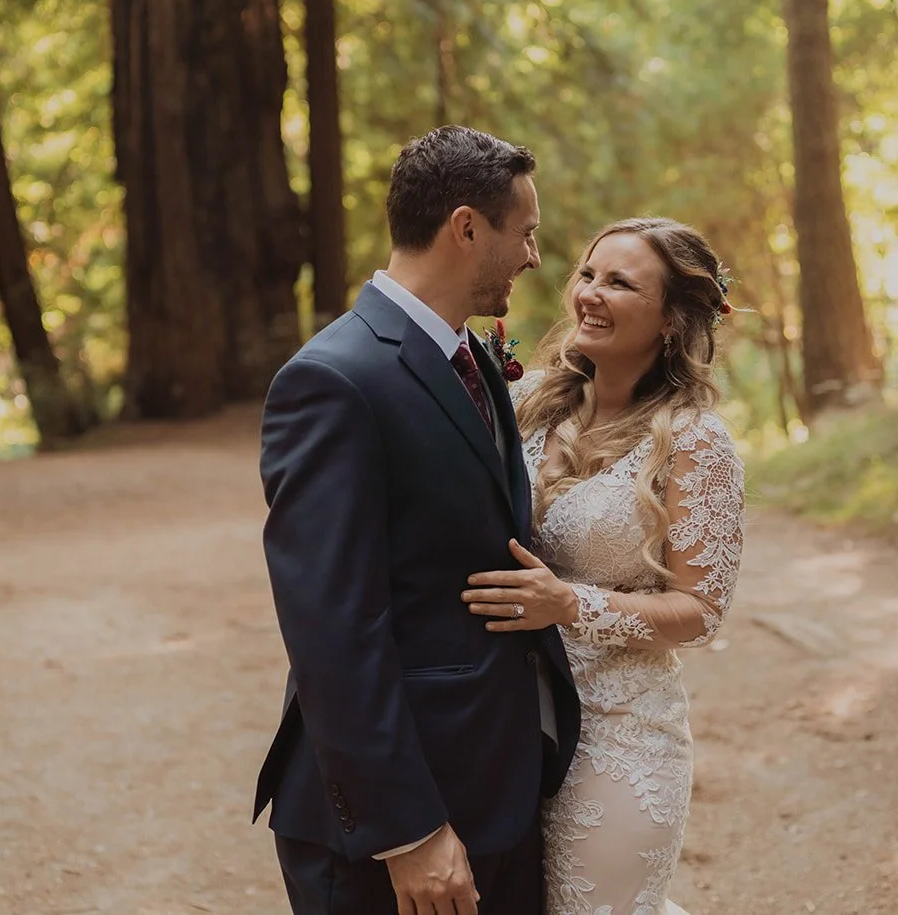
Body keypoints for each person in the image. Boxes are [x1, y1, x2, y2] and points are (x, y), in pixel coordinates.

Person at [255, 126, 581, 915]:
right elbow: (333, 627)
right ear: (467, 228)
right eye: (526, 233)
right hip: (400, 824)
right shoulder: (333, 381)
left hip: (491, 787)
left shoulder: (469, 357)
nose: (535, 257)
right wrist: (409, 831)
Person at [461, 217, 746, 915]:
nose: (590, 292)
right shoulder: (528, 405)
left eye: (619, 282)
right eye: (589, 273)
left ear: (673, 321)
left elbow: (700, 612)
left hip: (619, 733)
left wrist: (570, 606)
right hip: (511, 726)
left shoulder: (696, 443)